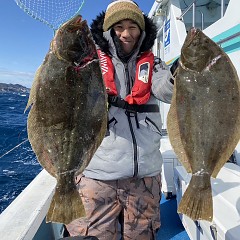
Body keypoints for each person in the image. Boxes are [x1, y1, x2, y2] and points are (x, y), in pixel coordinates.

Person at [66, 0, 176, 239]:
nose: (126, 34)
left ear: (142, 30)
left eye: (132, 27)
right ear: (108, 31)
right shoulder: (89, 64)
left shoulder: (153, 64)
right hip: (97, 175)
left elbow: (167, 90)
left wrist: (179, 76)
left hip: (144, 176)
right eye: (119, 27)